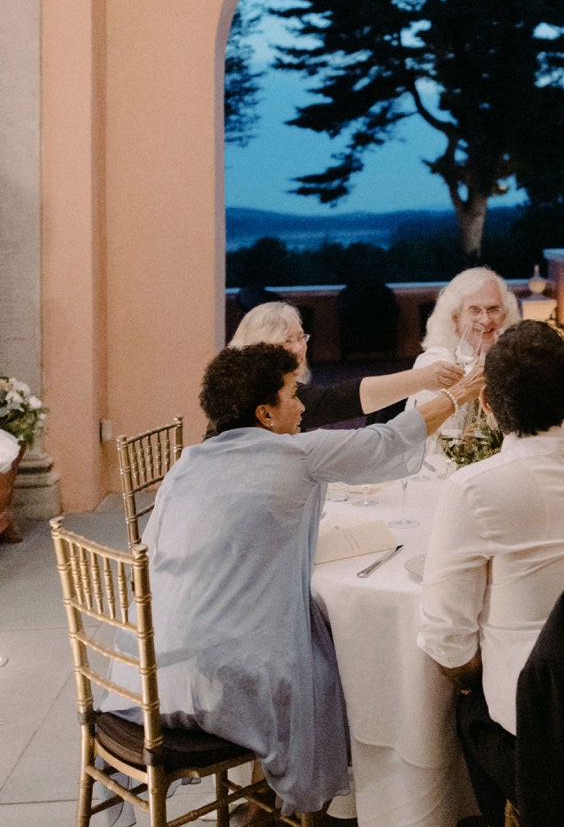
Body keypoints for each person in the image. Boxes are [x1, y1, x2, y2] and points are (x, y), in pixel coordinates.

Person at [108, 342, 483, 818]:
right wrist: (461, 393)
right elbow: (388, 440)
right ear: (265, 413)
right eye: (292, 395)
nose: (303, 405)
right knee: (334, 667)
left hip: (149, 672)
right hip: (221, 683)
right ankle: (378, 798)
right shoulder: (297, 456)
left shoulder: (187, 461)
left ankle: (266, 801)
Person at [417, 321, 564, 827]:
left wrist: (470, 675)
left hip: (543, 721)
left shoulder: (476, 489)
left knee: (464, 703)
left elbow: (445, 636)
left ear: (487, 407)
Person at [229, 300, 463, 432]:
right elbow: (339, 399)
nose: (299, 348)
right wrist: (423, 378)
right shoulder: (262, 397)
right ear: (260, 348)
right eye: (287, 341)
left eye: (301, 338)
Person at [407, 266, 520, 432]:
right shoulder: (436, 363)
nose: (486, 320)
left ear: (505, 314)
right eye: (475, 311)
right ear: (455, 318)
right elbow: (417, 431)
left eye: (493, 309)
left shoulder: (512, 359)